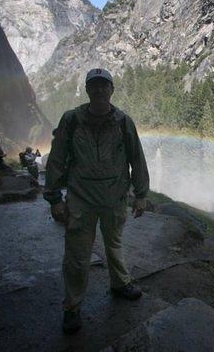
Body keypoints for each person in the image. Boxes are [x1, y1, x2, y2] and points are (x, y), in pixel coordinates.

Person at [44, 68, 150, 335]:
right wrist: (55, 198)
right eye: (95, 86)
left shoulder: (123, 121)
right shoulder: (71, 120)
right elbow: (56, 160)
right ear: (87, 90)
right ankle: (72, 307)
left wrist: (141, 194)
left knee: (114, 243)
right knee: (77, 256)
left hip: (115, 198)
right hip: (81, 199)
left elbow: (136, 158)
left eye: (104, 86)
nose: (100, 90)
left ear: (112, 89)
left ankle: (120, 283)